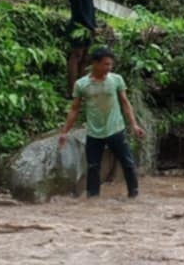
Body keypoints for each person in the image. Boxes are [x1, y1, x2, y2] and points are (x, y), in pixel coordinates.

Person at [58, 46, 145, 199]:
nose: (109, 68)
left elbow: (125, 102)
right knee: (93, 167)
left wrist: (134, 125)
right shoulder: (81, 84)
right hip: (94, 132)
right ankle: (93, 199)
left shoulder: (116, 79)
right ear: (95, 63)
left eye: (110, 64)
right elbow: (74, 109)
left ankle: (134, 195)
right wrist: (65, 132)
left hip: (115, 129)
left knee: (127, 162)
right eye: (106, 64)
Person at [66, 0, 103, 96]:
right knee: (76, 56)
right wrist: (91, 27)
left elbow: (90, 10)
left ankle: (80, 88)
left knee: (85, 57)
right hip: (78, 27)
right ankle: (71, 90)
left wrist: (94, 26)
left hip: (88, 27)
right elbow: (79, 12)